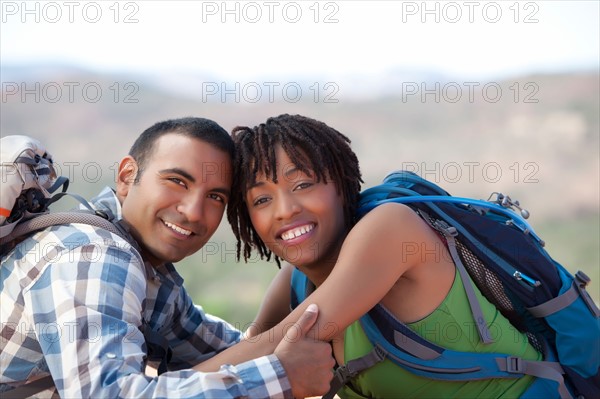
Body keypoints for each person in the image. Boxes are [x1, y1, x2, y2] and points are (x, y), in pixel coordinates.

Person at [0, 117, 334, 399]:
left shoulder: (154, 278)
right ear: (127, 176)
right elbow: (110, 393)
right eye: (176, 181)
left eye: (215, 196)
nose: (192, 211)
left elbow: (226, 350)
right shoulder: (94, 253)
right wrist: (280, 376)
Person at [224, 114, 545, 398]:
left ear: (342, 185)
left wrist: (175, 387)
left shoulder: (390, 230)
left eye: (303, 184)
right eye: (262, 199)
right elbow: (241, 355)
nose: (285, 210)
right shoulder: (295, 285)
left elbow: (265, 354)